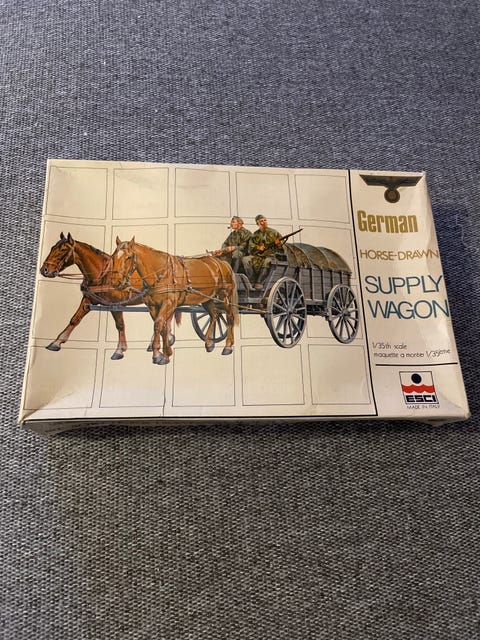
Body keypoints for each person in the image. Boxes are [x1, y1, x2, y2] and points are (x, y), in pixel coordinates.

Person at [242, 215, 284, 289]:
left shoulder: (274, 232)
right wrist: (258, 247)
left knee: (267, 261)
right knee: (245, 259)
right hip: (258, 255)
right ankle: (252, 281)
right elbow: (250, 246)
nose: (264, 222)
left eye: (265, 220)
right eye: (261, 221)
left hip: (271, 255)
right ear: (257, 223)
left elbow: (283, 247)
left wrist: (279, 244)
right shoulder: (255, 234)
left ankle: (260, 282)